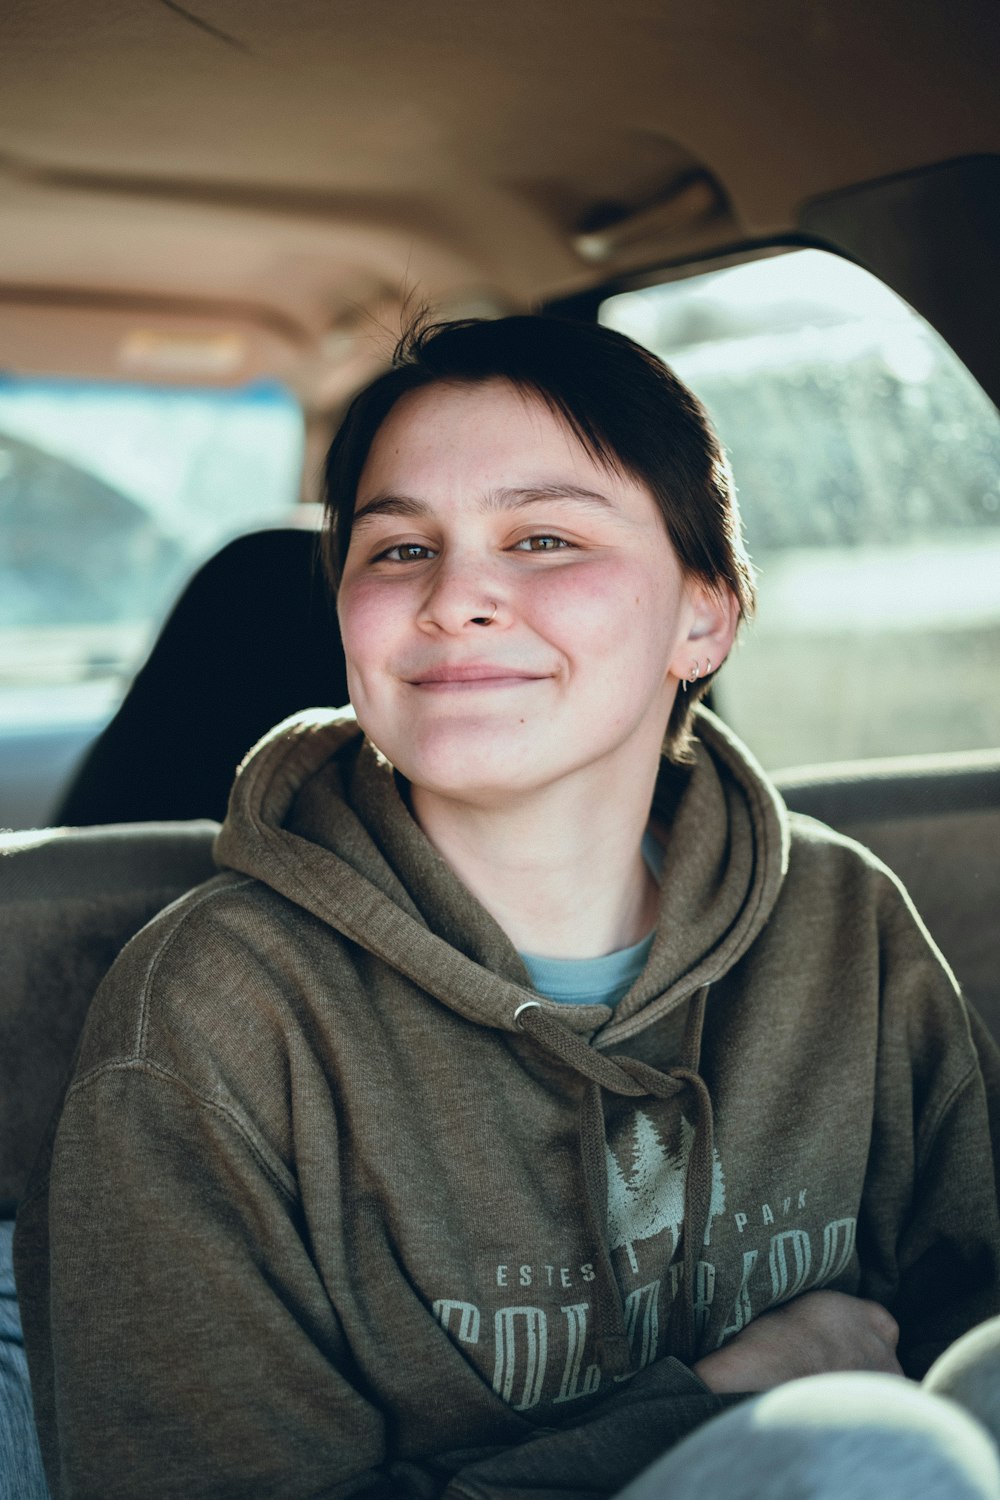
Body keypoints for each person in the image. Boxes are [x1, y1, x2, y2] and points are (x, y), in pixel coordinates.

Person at [13, 315, 1000, 1498]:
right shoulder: (213, 1013)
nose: (456, 596)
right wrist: (713, 1408)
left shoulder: (844, 917)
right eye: (396, 552)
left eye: (540, 536)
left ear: (705, 615)